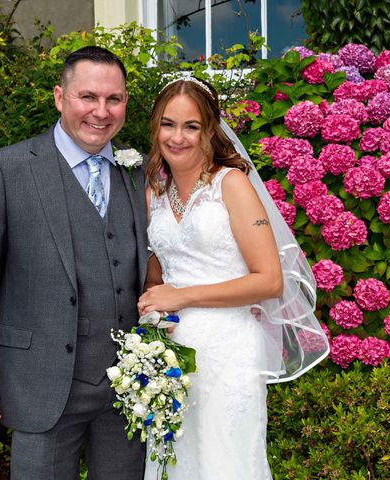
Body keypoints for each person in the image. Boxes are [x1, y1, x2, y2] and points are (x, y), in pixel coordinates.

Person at [0, 46, 148, 480]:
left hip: (128, 393)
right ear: (60, 97)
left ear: (125, 103)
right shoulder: (9, 169)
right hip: (40, 383)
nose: (101, 111)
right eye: (87, 97)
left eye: (113, 99)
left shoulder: (140, 171)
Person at [138, 77, 329, 479]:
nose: (177, 137)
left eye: (191, 126)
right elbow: (160, 268)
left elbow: (269, 281)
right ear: (155, 127)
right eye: (168, 124)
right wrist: (151, 302)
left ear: (209, 131)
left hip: (228, 349)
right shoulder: (155, 190)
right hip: (169, 352)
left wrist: (182, 297)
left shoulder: (232, 184)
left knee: (225, 462)